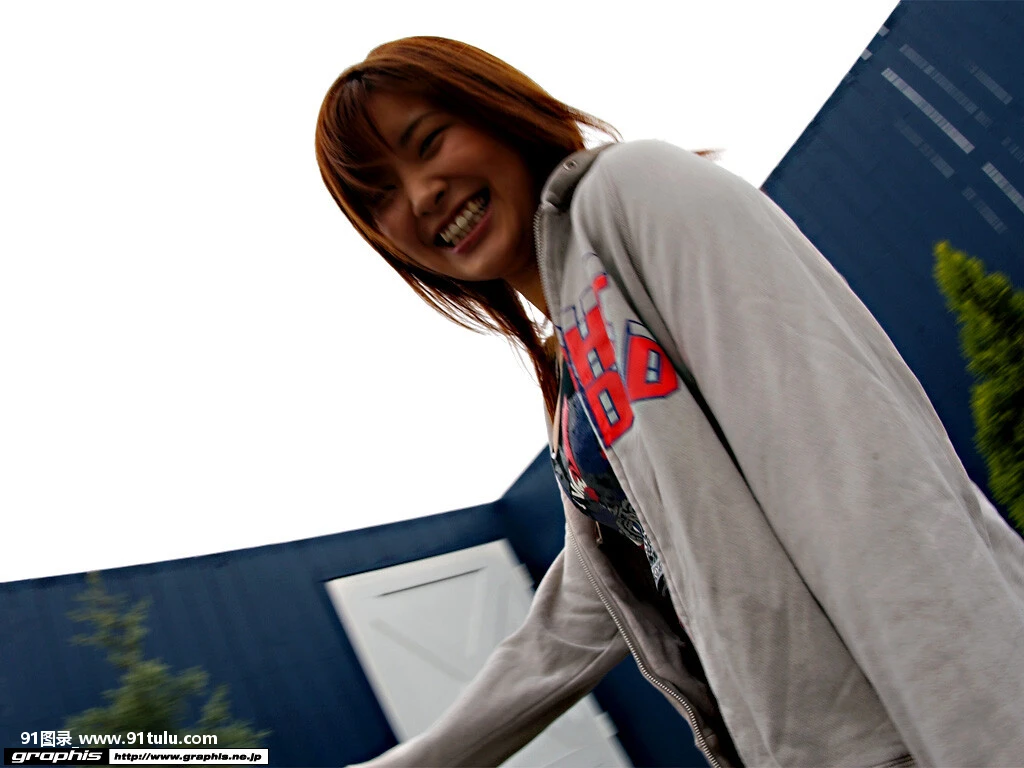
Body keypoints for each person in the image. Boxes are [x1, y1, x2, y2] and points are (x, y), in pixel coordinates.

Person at [315, 36, 1024, 768]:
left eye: (429, 142)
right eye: (380, 195)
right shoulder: (572, 374)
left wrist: (985, 734)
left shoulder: (633, 189)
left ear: (499, 113)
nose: (421, 194)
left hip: (923, 721)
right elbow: (582, 613)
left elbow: (851, 466)